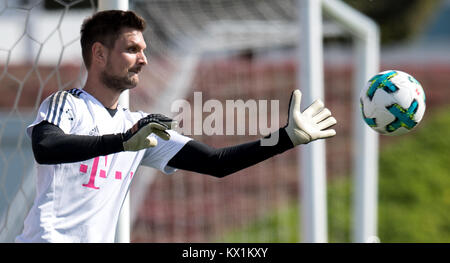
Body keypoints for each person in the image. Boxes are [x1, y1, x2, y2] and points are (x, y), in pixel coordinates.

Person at [16, 10, 337, 243]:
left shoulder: (138, 127)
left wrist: (285, 138)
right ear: (99, 53)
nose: (144, 60)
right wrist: (123, 143)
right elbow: (46, 148)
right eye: (132, 50)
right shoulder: (67, 104)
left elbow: (216, 163)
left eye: (144, 50)